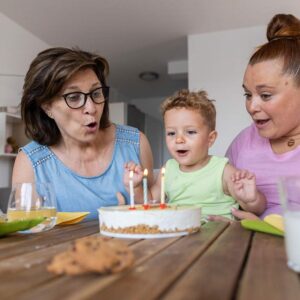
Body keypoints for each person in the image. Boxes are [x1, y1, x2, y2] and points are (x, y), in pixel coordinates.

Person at [12, 47, 154, 219]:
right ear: (46, 106)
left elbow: (155, 216)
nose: (91, 108)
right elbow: (29, 240)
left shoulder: (136, 143)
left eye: (96, 93)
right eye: (73, 97)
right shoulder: (30, 162)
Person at [124, 89, 266, 219]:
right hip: (179, 235)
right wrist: (136, 187)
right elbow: (149, 201)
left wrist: (251, 199)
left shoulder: (222, 170)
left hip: (217, 237)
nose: (179, 139)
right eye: (171, 133)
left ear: (210, 139)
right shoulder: (168, 169)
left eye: (190, 132)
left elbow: (257, 210)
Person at [220, 13, 300, 220]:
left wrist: (266, 228)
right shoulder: (242, 143)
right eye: (248, 94)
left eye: (265, 95)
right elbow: (222, 202)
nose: (252, 106)